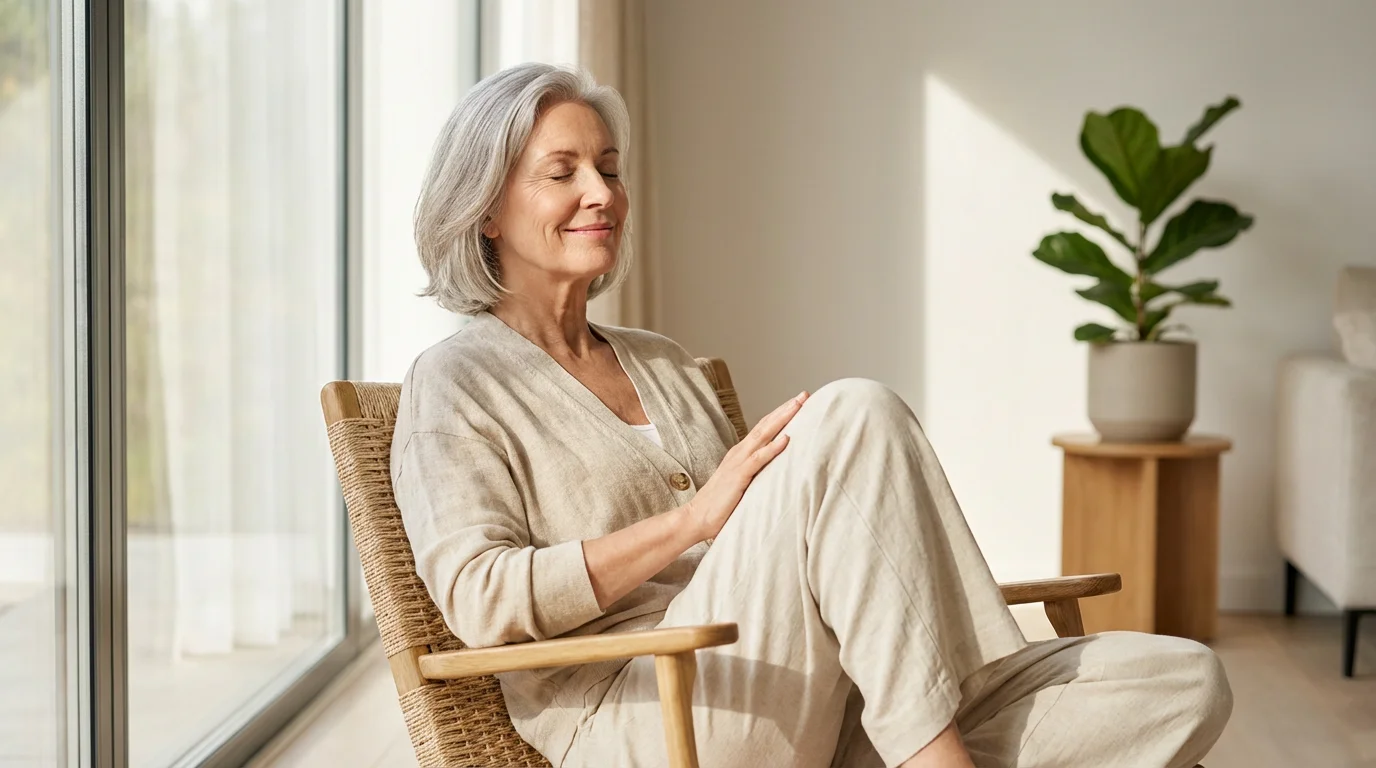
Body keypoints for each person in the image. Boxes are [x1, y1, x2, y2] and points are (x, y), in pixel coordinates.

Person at [391, 62, 1232, 768]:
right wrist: (689, 521)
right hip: (650, 708)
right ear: (488, 210)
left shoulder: (660, 361)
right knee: (850, 413)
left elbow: (819, 542)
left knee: (1182, 680)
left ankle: (921, 736)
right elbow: (480, 600)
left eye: (608, 167)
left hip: (810, 694)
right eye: (562, 170)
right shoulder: (457, 382)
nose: (601, 191)